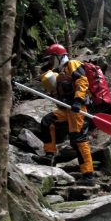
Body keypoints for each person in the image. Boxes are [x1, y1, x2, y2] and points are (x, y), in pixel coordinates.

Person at [37, 43, 96, 187]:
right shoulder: (60, 72)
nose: (50, 61)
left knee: (78, 140)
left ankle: (88, 175)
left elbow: (82, 82)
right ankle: (49, 155)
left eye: (51, 58)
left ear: (58, 56)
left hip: (78, 108)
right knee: (47, 121)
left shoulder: (73, 64)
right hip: (67, 109)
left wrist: (78, 100)